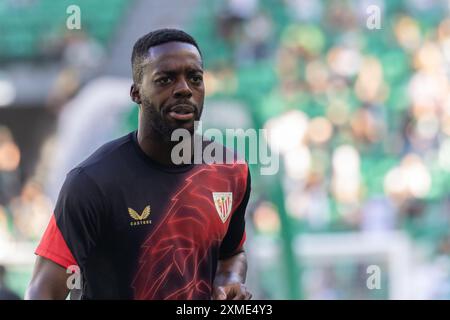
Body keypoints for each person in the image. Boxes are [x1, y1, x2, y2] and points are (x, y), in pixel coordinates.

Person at [25, 29, 252, 300]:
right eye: (166, 79)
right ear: (136, 93)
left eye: (195, 78)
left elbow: (232, 253)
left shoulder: (230, 169)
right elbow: (43, 290)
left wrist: (230, 279)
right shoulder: (93, 181)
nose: (184, 89)